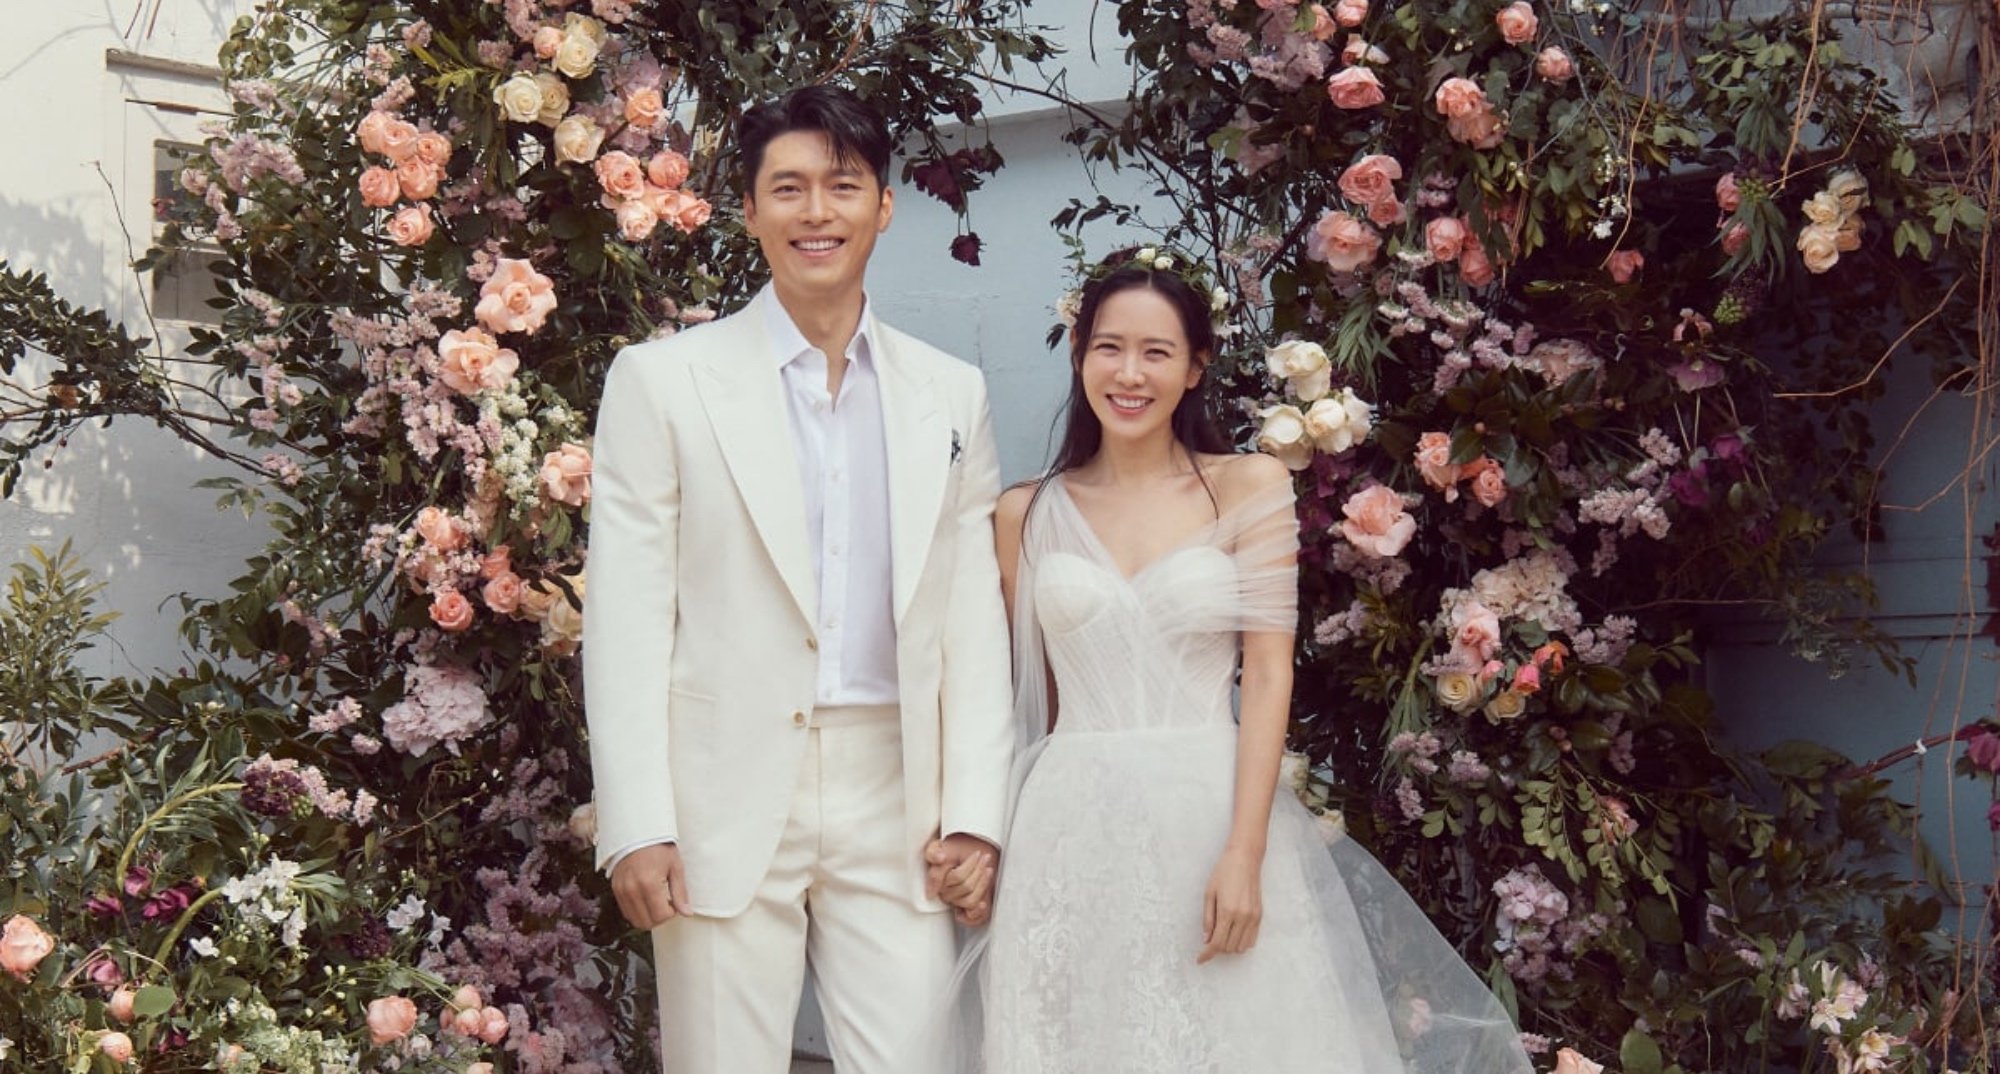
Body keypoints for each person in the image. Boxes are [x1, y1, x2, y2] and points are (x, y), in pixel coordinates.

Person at [918, 248, 1536, 1073]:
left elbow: (1270, 672)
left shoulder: (1248, 485)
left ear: (1195, 366)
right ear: (1079, 354)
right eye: (1108, 347)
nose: (1129, 373)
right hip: (1067, 828)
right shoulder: (1024, 513)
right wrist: (983, 836)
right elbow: (1007, 697)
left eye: (1157, 351)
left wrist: (1244, 854)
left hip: (1211, 812)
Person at [581, 83, 1013, 1074]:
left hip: (892, 791)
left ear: (883, 206)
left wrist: (974, 814)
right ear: (749, 210)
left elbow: (967, 618)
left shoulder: (951, 393)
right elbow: (628, 618)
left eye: (842, 186)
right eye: (788, 189)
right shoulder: (663, 382)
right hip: (717, 792)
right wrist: (635, 823)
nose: (816, 212)